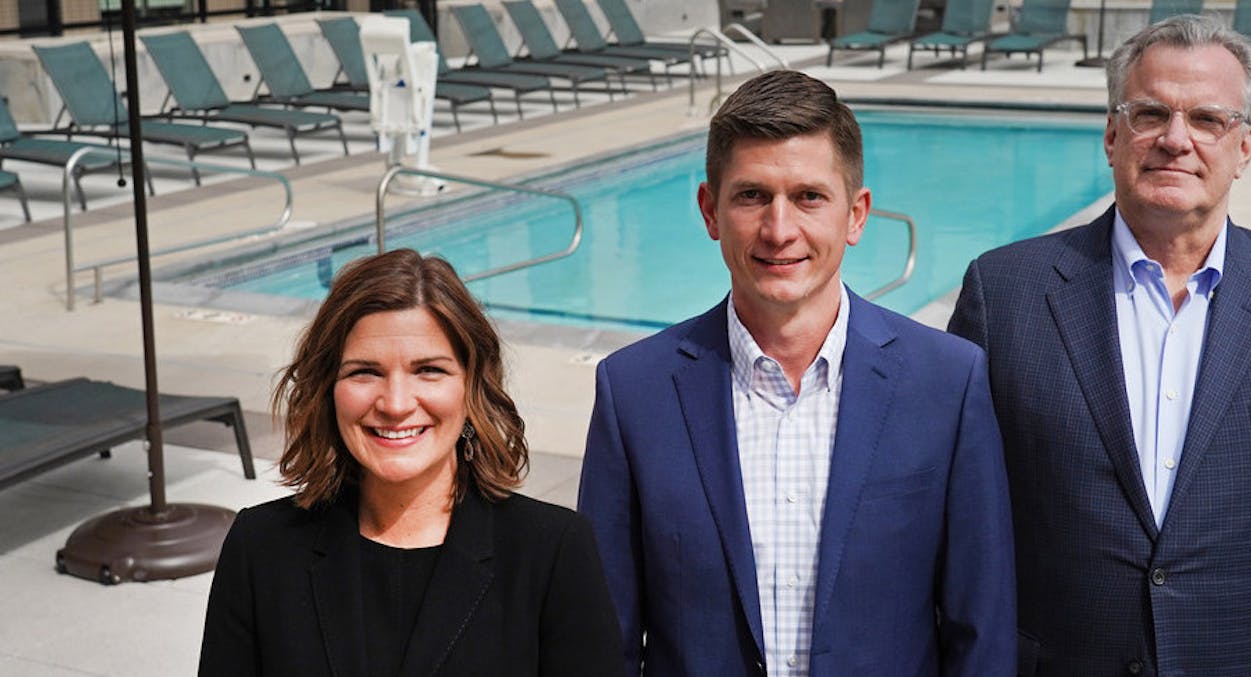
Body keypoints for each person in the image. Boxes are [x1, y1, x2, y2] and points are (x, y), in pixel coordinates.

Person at [947, 15, 1251, 676]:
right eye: (1150, 113)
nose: (1175, 139)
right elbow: (951, 523)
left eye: (1207, 119)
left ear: (1245, 144)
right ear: (1112, 134)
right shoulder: (1004, 292)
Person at [578, 69, 1016, 676]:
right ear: (711, 211)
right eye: (752, 195)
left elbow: (982, 629)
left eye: (809, 197)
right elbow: (605, 638)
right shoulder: (633, 392)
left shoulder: (946, 382)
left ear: (856, 215)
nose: (779, 230)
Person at [198, 249, 622, 676]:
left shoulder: (554, 551)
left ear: (472, 386)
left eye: (429, 370)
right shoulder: (260, 547)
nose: (396, 404)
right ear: (328, 388)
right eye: (365, 372)